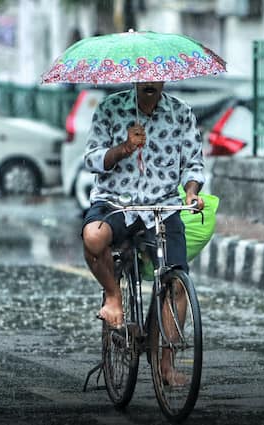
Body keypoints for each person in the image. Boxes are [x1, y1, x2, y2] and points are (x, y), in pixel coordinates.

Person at [81, 81, 205, 386]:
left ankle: (166, 364)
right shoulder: (110, 109)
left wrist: (191, 194)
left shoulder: (181, 112)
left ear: (163, 79)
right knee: (93, 237)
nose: (150, 81)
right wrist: (124, 148)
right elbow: (92, 160)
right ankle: (113, 297)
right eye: (144, 76)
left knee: (176, 284)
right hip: (116, 202)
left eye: (156, 76)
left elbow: (193, 166)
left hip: (162, 208)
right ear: (136, 80)